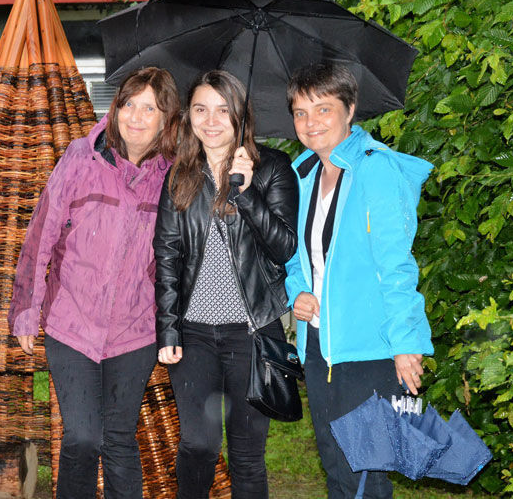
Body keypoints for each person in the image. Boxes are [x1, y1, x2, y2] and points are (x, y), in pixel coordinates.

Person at [8, 67, 180, 498]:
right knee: (82, 437)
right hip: (72, 322)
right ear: (116, 107)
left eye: (150, 108)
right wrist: (27, 313)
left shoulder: (174, 177)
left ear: (165, 120)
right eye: (129, 105)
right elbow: (41, 231)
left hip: (135, 329)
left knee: (119, 439)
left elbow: (179, 255)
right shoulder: (81, 158)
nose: (136, 117)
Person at [284, 61, 433, 499]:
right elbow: (296, 258)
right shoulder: (302, 174)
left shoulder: (376, 170)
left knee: (366, 471)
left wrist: (406, 344)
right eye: (300, 112)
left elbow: (397, 265)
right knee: (335, 463)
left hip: (371, 347)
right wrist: (299, 294)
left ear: (350, 110)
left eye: (323, 109)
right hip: (319, 346)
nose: (311, 123)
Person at [153, 69, 298, 499]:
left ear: (240, 116)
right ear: (189, 116)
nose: (211, 120)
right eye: (201, 109)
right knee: (198, 444)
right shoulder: (180, 175)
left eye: (222, 110)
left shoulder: (272, 168)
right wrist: (169, 329)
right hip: (194, 334)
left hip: (253, 335)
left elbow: (284, 248)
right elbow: (166, 256)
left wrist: (246, 192)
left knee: (247, 455)